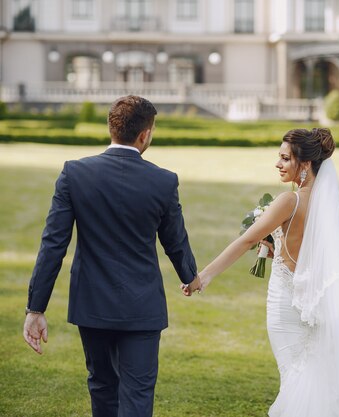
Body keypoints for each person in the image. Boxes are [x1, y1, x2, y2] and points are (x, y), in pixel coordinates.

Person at [183, 128, 339, 416]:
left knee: (296, 379)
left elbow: (246, 239)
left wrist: (204, 276)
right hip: (314, 305)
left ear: (305, 165)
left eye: (285, 158)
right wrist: (278, 249)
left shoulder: (289, 201)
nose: (278, 164)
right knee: (313, 375)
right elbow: (311, 257)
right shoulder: (326, 205)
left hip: (286, 305)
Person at [23, 95, 202, 417]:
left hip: (91, 302)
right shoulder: (163, 180)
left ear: (111, 128)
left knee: (102, 385)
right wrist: (190, 276)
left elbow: (53, 245)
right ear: (145, 134)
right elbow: (175, 240)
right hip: (143, 304)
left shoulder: (74, 173)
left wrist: (36, 307)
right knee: (138, 393)